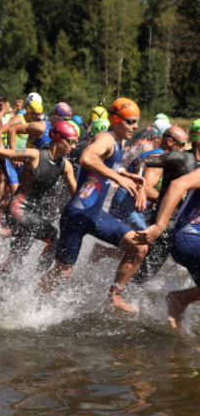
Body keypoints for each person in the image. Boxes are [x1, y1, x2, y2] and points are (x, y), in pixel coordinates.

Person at [41, 97, 148, 312]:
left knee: (139, 247)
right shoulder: (105, 138)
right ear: (116, 120)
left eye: (136, 122)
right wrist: (119, 179)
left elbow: (103, 164)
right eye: (131, 122)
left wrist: (124, 173)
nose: (136, 126)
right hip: (76, 216)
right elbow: (87, 159)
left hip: (96, 216)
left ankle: (114, 297)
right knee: (63, 272)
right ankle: (33, 301)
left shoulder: (117, 143)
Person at [0, 121, 78, 310]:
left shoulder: (65, 165)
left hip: (32, 212)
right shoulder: (35, 155)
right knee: (54, 237)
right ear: (58, 139)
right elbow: (2, 153)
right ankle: (37, 280)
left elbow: (75, 195)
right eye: (71, 142)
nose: (74, 147)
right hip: (18, 209)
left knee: (15, 258)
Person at [134, 164, 200, 333]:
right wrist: (158, 226)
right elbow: (178, 185)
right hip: (189, 238)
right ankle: (179, 299)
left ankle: (180, 301)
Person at [129, 126, 192, 285]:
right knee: (145, 266)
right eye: (182, 143)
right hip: (146, 215)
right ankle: (123, 297)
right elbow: (146, 184)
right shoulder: (165, 158)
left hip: (164, 219)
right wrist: (163, 197)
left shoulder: (172, 157)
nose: (185, 147)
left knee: (148, 261)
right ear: (171, 141)